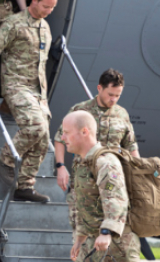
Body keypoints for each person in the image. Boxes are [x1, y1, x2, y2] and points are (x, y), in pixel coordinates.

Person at [60, 111, 160, 262]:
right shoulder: (82, 162)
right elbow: (82, 203)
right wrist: (80, 237)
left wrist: (106, 231)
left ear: (84, 132)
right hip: (92, 245)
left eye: (66, 133)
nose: (62, 137)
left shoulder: (105, 161)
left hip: (116, 244)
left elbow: (116, 198)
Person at [0, 0, 58, 202]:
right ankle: (5, 160)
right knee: (36, 126)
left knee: (42, 139)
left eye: (52, 7)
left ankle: (24, 186)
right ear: (34, 0)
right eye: (46, 6)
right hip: (16, 86)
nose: (49, 11)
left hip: (38, 92)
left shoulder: (45, 27)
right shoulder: (13, 23)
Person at [54, 69, 140, 227]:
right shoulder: (80, 111)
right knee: (82, 227)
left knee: (112, 222)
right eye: (110, 94)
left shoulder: (122, 114)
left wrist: (138, 173)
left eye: (118, 95)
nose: (113, 99)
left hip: (111, 179)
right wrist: (60, 166)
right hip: (84, 181)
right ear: (99, 88)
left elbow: (131, 145)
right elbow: (60, 137)